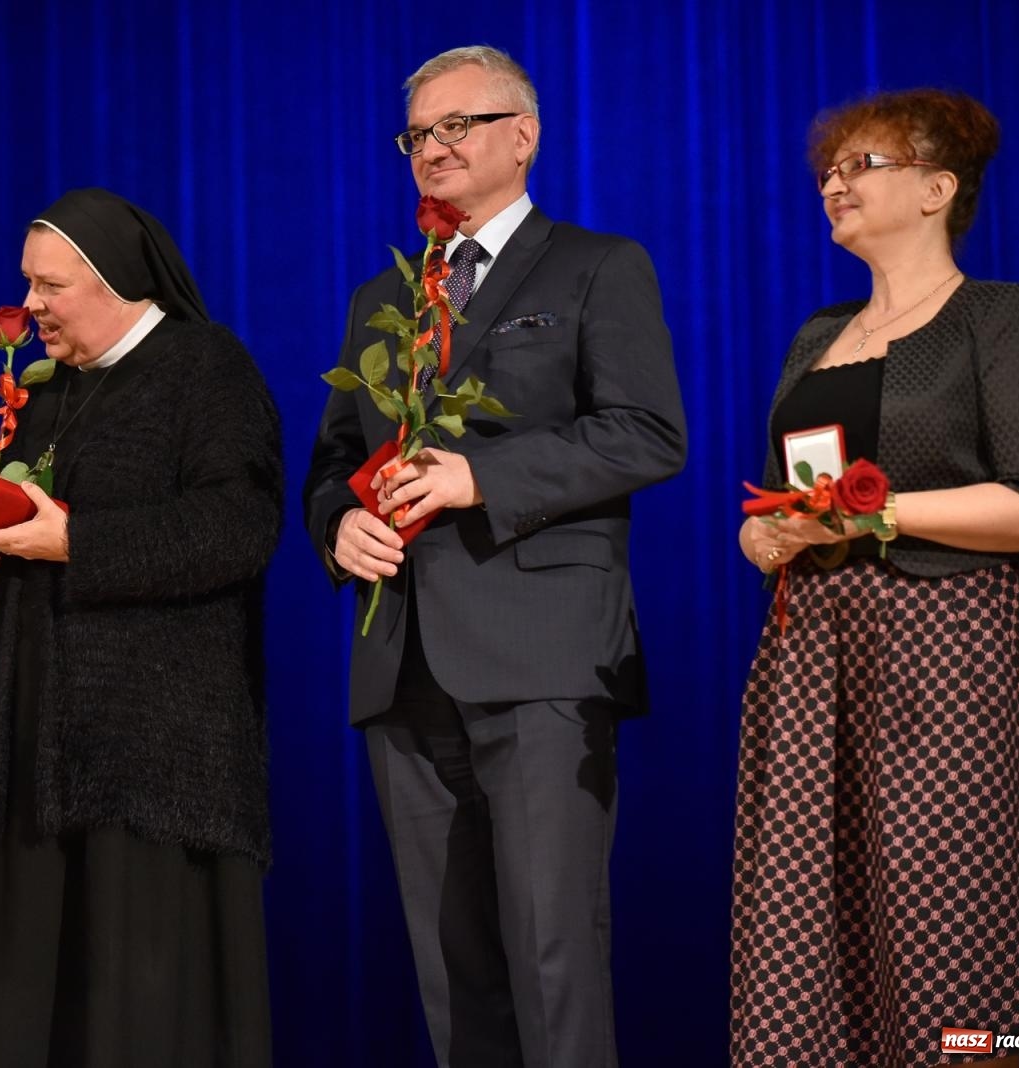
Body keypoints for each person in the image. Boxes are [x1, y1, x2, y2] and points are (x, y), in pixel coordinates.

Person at [304, 46, 687, 1068]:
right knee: (450, 965)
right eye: (417, 134)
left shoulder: (596, 266)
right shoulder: (382, 300)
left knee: (551, 955)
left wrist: (483, 478)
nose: (433, 148)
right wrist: (339, 528)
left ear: (523, 135)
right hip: (403, 663)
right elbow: (334, 466)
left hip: (543, 657)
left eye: (456, 126)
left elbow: (648, 433)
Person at [733, 88, 1019, 1067]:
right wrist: (766, 540)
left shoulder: (993, 315)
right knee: (813, 913)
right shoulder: (818, 334)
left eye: (863, 166)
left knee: (950, 922)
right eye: (828, 170)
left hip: (949, 646)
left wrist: (880, 514)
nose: (833, 183)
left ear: (938, 189)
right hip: (816, 657)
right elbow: (780, 498)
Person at [0, 188, 282, 1068]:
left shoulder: (207, 368)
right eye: (27, 285)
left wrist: (75, 540)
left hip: (155, 760)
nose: (31, 307)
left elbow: (240, 527)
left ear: (117, 281)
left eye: (49, 287)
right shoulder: (49, 393)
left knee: (140, 1020)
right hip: (36, 756)